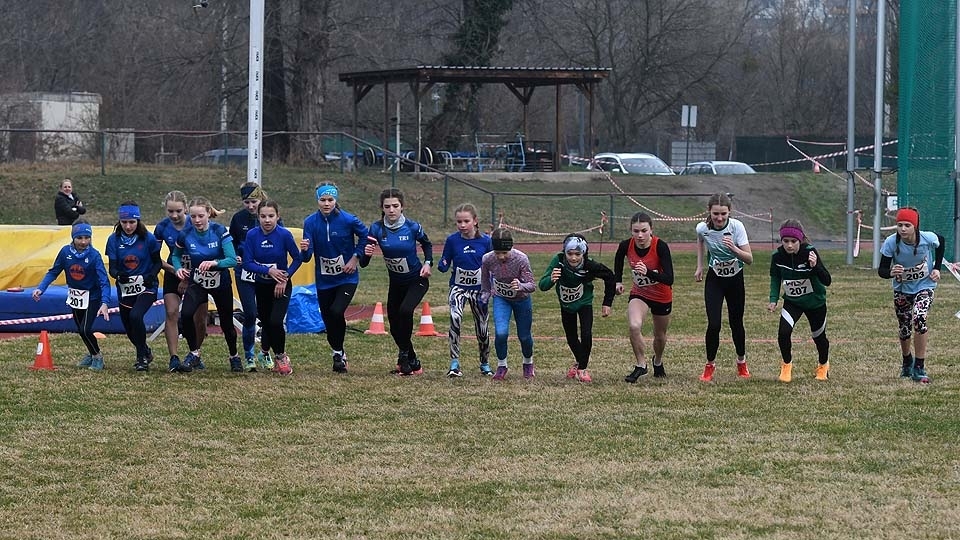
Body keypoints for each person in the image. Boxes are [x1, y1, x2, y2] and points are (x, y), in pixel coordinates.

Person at [360, 187, 433, 376]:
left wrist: (428, 263)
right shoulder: (376, 228)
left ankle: (403, 355)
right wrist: (366, 255)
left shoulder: (412, 227)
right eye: (387, 206)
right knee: (394, 326)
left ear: (402, 207)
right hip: (396, 282)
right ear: (382, 208)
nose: (391, 210)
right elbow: (364, 263)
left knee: (405, 311)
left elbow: (427, 244)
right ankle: (413, 361)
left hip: (417, 279)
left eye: (395, 206)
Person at [300, 182, 368, 374]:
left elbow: (366, 237)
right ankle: (338, 352)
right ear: (317, 201)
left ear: (336, 200)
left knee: (337, 311)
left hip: (346, 277)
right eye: (323, 200)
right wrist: (304, 251)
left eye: (330, 200)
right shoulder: (310, 222)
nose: (326, 204)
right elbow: (307, 257)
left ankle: (338, 353)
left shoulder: (349, 220)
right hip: (324, 279)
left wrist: (355, 258)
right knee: (329, 318)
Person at [32, 219, 111, 370]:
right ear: (73, 238)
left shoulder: (94, 256)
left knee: (85, 329)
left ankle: (97, 357)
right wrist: (41, 288)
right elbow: (54, 271)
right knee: (81, 329)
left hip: (92, 297)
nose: (83, 241)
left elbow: (104, 281)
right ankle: (91, 352)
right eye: (79, 238)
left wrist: (105, 302)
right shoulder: (65, 252)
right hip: (76, 297)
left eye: (87, 237)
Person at [172, 197, 240, 372]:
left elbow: (232, 260)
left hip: (220, 282)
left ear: (208, 214)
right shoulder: (185, 234)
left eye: (200, 216)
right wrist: (178, 269)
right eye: (193, 217)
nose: (197, 221)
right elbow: (176, 255)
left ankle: (234, 355)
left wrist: (214, 263)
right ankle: (194, 353)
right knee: (186, 315)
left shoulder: (219, 231)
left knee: (226, 323)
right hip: (198, 281)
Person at [878, 207, 943, 384]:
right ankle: (907, 361)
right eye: (900, 225)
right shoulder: (891, 243)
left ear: (915, 226)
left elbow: (941, 242)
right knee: (904, 327)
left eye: (907, 225)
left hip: (925, 286)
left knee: (919, 319)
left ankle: (919, 366)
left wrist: (936, 267)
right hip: (902, 289)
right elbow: (882, 270)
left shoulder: (927, 238)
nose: (903, 229)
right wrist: (891, 272)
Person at [539, 233, 615, 383]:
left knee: (586, 334)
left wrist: (607, 303)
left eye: (577, 254)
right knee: (571, 337)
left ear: (584, 253)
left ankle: (582, 369)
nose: (573, 258)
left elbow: (610, 277)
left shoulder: (590, 265)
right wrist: (551, 279)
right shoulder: (559, 261)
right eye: (570, 253)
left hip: (584, 303)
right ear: (564, 252)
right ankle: (579, 362)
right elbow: (542, 285)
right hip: (566, 305)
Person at [694, 192, 753, 382]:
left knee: (736, 323)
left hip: (735, 279)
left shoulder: (737, 227)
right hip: (715, 280)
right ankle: (710, 365)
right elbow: (701, 241)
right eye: (716, 214)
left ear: (730, 213)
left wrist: (734, 249)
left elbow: (749, 259)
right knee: (714, 324)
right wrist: (700, 266)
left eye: (723, 214)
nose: (719, 218)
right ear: (709, 212)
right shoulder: (702, 228)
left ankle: (741, 362)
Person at [768, 220, 832, 383]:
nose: (789, 245)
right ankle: (786, 365)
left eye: (793, 241)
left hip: (815, 302)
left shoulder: (810, 252)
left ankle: (823, 365)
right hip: (793, 301)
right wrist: (773, 299)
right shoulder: (777, 256)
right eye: (785, 241)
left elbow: (827, 280)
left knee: (819, 337)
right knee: (783, 332)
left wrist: (815, 266)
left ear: (801, 240)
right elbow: (775, 277)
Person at [242, 200, 302, 375]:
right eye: (263, 216)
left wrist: (285, 277)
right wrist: (268, 270)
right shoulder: (252, 235)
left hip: (281, 285)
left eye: (271, 216)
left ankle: (281, 357)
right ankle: (266, 353)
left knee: (276, 321)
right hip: (262, 285)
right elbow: (247, 263)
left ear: (278, 216)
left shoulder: (284, 235)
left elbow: (297, 259)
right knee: (267, 323)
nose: (267, 220)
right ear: (258, 217)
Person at [614, 213, 675, 383]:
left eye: (644, 231)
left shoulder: (661, 246)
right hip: (640, 293)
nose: (640, 235)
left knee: (660, 335)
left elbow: (669, 278)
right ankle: (641, 365)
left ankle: (658, 361)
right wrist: (617, 281)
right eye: (636, 231)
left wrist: (647, 272)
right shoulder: (626, 245)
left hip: (662, 295)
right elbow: (618, 261)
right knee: (634, 326)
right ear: (631, 231)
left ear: (651, 230)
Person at [153, 190, 208, 372]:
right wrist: (174, 270)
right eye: (170, 212)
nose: (175, 215)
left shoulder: (196, 224)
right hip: (174, 271)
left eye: (178, 211)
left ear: (185, 208)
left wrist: (189, 275)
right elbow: (154, 256)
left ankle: (195, 354)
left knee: (199, 318)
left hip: (198, 273)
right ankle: (174, 358)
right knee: (171, 312)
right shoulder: (162, 227)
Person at [105, 201, 163, 371]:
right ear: (119, 222)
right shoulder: (113, 240)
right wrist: (118, 275)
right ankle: (145, 350)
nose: (128, 226)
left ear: (138, 221)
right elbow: (113, 268)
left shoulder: (148, 238)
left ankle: (141, 359)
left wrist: (151, 276)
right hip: (126, 289)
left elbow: (157, 263)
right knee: (130, 328)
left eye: (132, 222)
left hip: (146, 287)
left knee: (136, 316)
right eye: (124, 222)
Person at [437, 203, 493, 377]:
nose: (462, 225)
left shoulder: (485, 241)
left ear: (475, 221)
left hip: (479, 290)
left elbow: (492, 264)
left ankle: (484, 363)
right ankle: (454, 363)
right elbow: (445, 259)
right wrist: (442, 264)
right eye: (459, 221)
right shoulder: (452, 240)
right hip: (458, 287)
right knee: (455, 318)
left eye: (466, 221)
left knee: (482, 327)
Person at [480, 228, 536, 380]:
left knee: (524, 336)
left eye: (505, 252)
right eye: (497, 252)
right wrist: (485, 295)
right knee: (501, 333)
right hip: (501, 298)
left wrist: (521, 285)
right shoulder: (487, 259)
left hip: (522, 300)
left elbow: (532, 285)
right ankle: (502, 365)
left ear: (511, 247)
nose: (501, 256)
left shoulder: (521, 259)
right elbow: (484, 280)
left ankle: (528, 363)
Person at [230, 181, 269, 371]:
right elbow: (231, 241)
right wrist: (235, 255)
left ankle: (266, 352)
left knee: (268, 315)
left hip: (266, 273)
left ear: (261, 198)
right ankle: (249, 355)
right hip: (244, 272)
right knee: (250, 313)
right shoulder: (238, 219)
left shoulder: (269, 216)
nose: (251, 206)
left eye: (254, 201)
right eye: (246, 202)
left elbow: (280, 238)